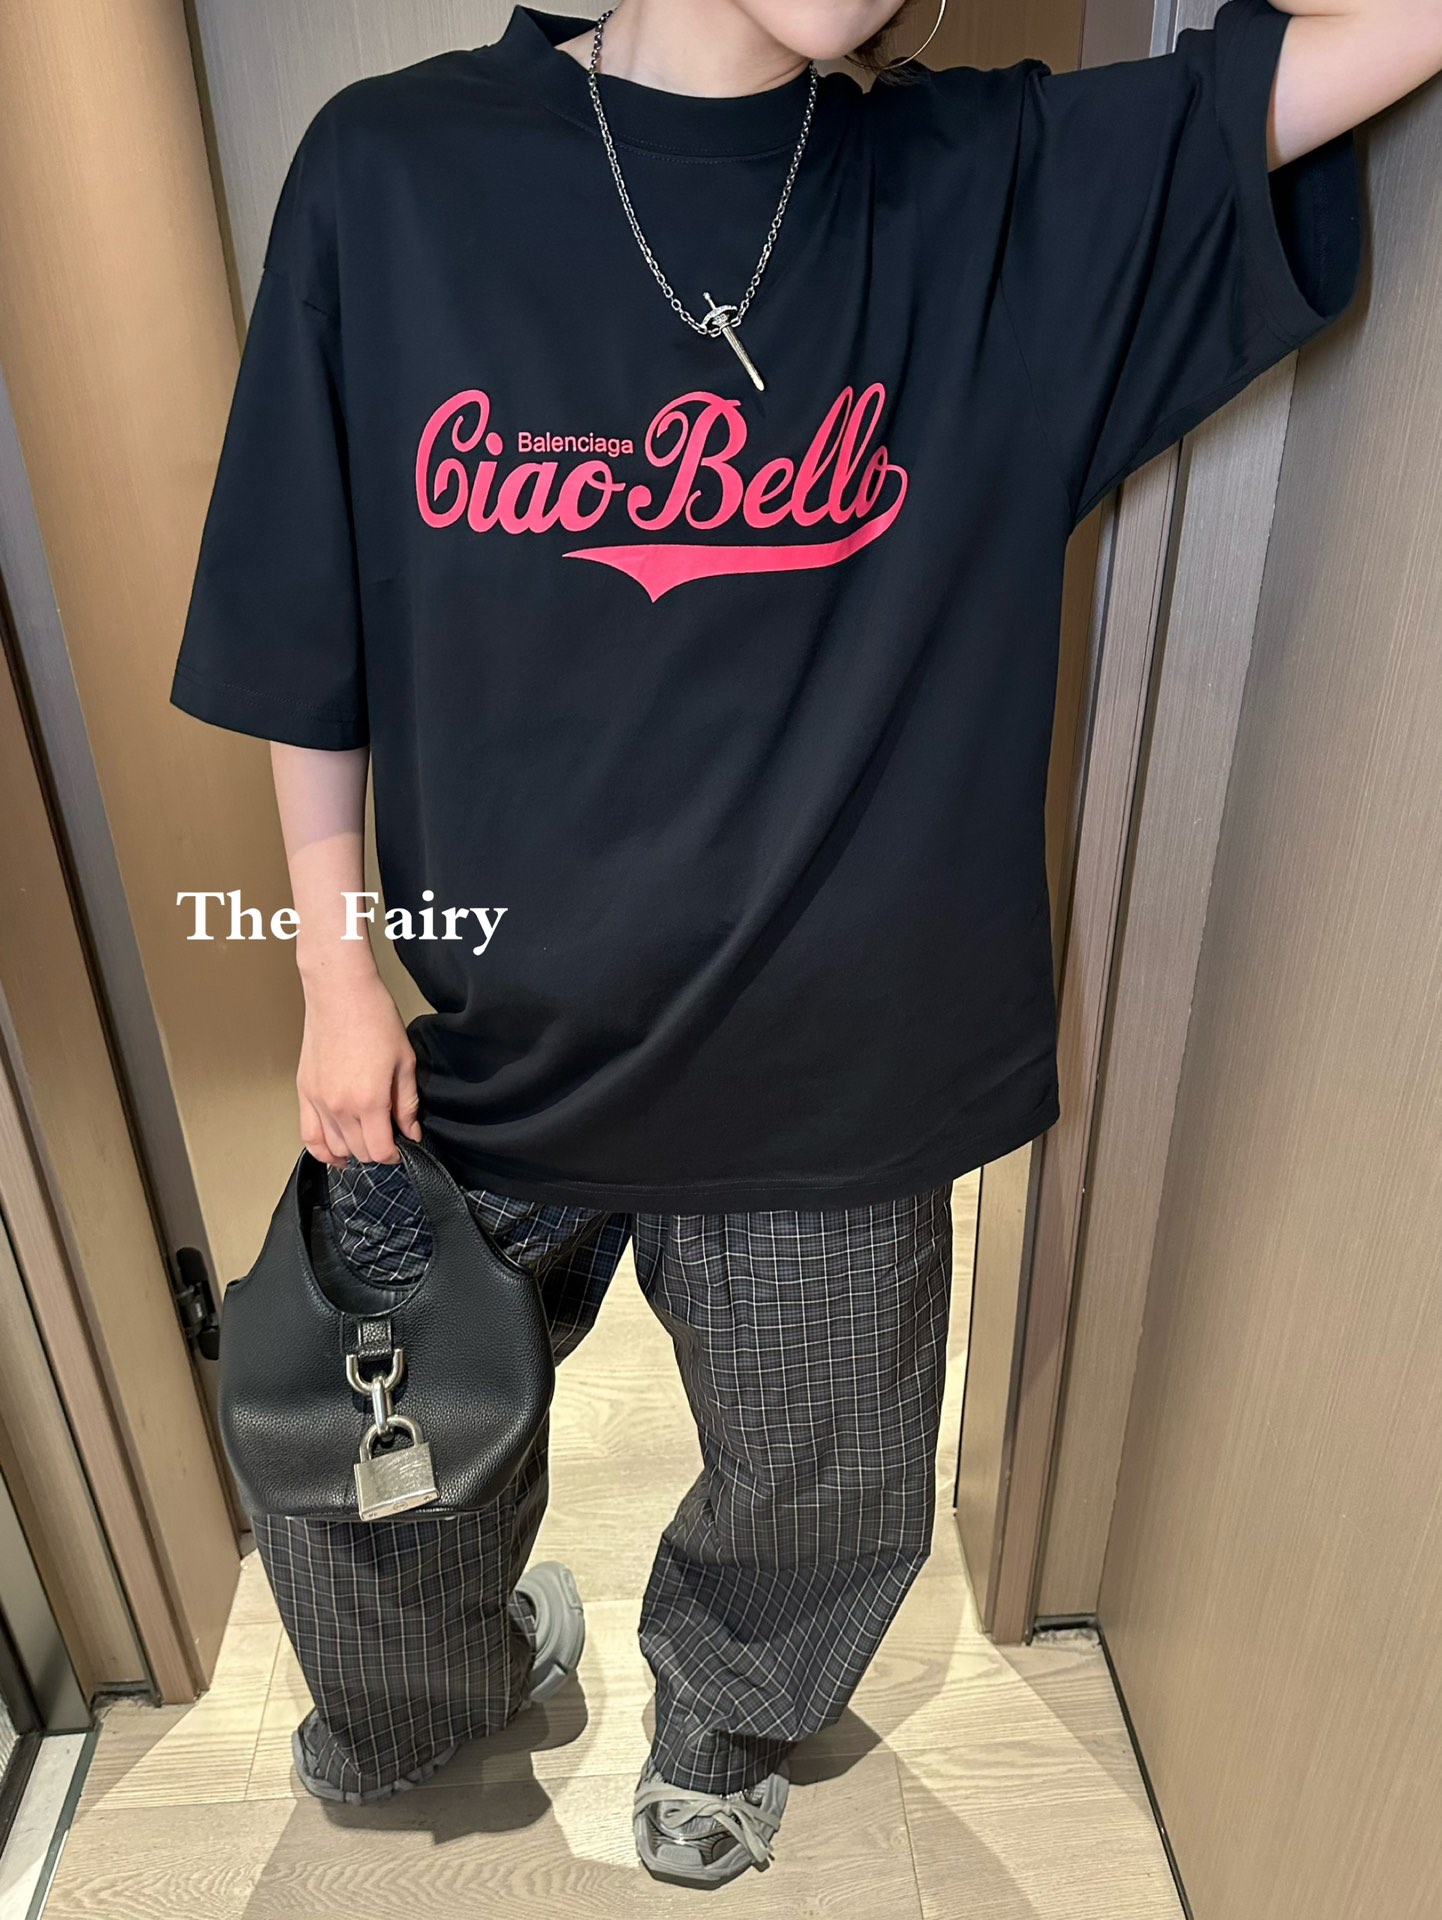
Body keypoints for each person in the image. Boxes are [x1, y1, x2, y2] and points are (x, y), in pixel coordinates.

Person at [168, 0, 1427, 1886]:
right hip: (482, 1029)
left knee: (819, 1475)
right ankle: (423, 1705)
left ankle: (725, 1719)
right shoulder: (394, 169)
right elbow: (301, 608)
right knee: (373, 1458)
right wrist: (334, 973)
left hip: (843, 1047)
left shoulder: (986, 189)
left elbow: (1341, 61)